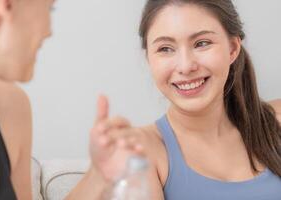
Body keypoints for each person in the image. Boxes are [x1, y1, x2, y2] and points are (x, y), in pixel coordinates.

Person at [66, 0, 281, 199]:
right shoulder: (145, 151)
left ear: (233, 48)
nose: (186, 66)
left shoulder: (275, 122)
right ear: (149, 59)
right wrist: (97, 176)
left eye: (202, 43)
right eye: (165, 49)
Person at [0, 0, 55, 199]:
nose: (50, 31)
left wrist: (97, 177)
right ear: (6, 5)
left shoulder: (10, 108)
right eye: (50, 7)